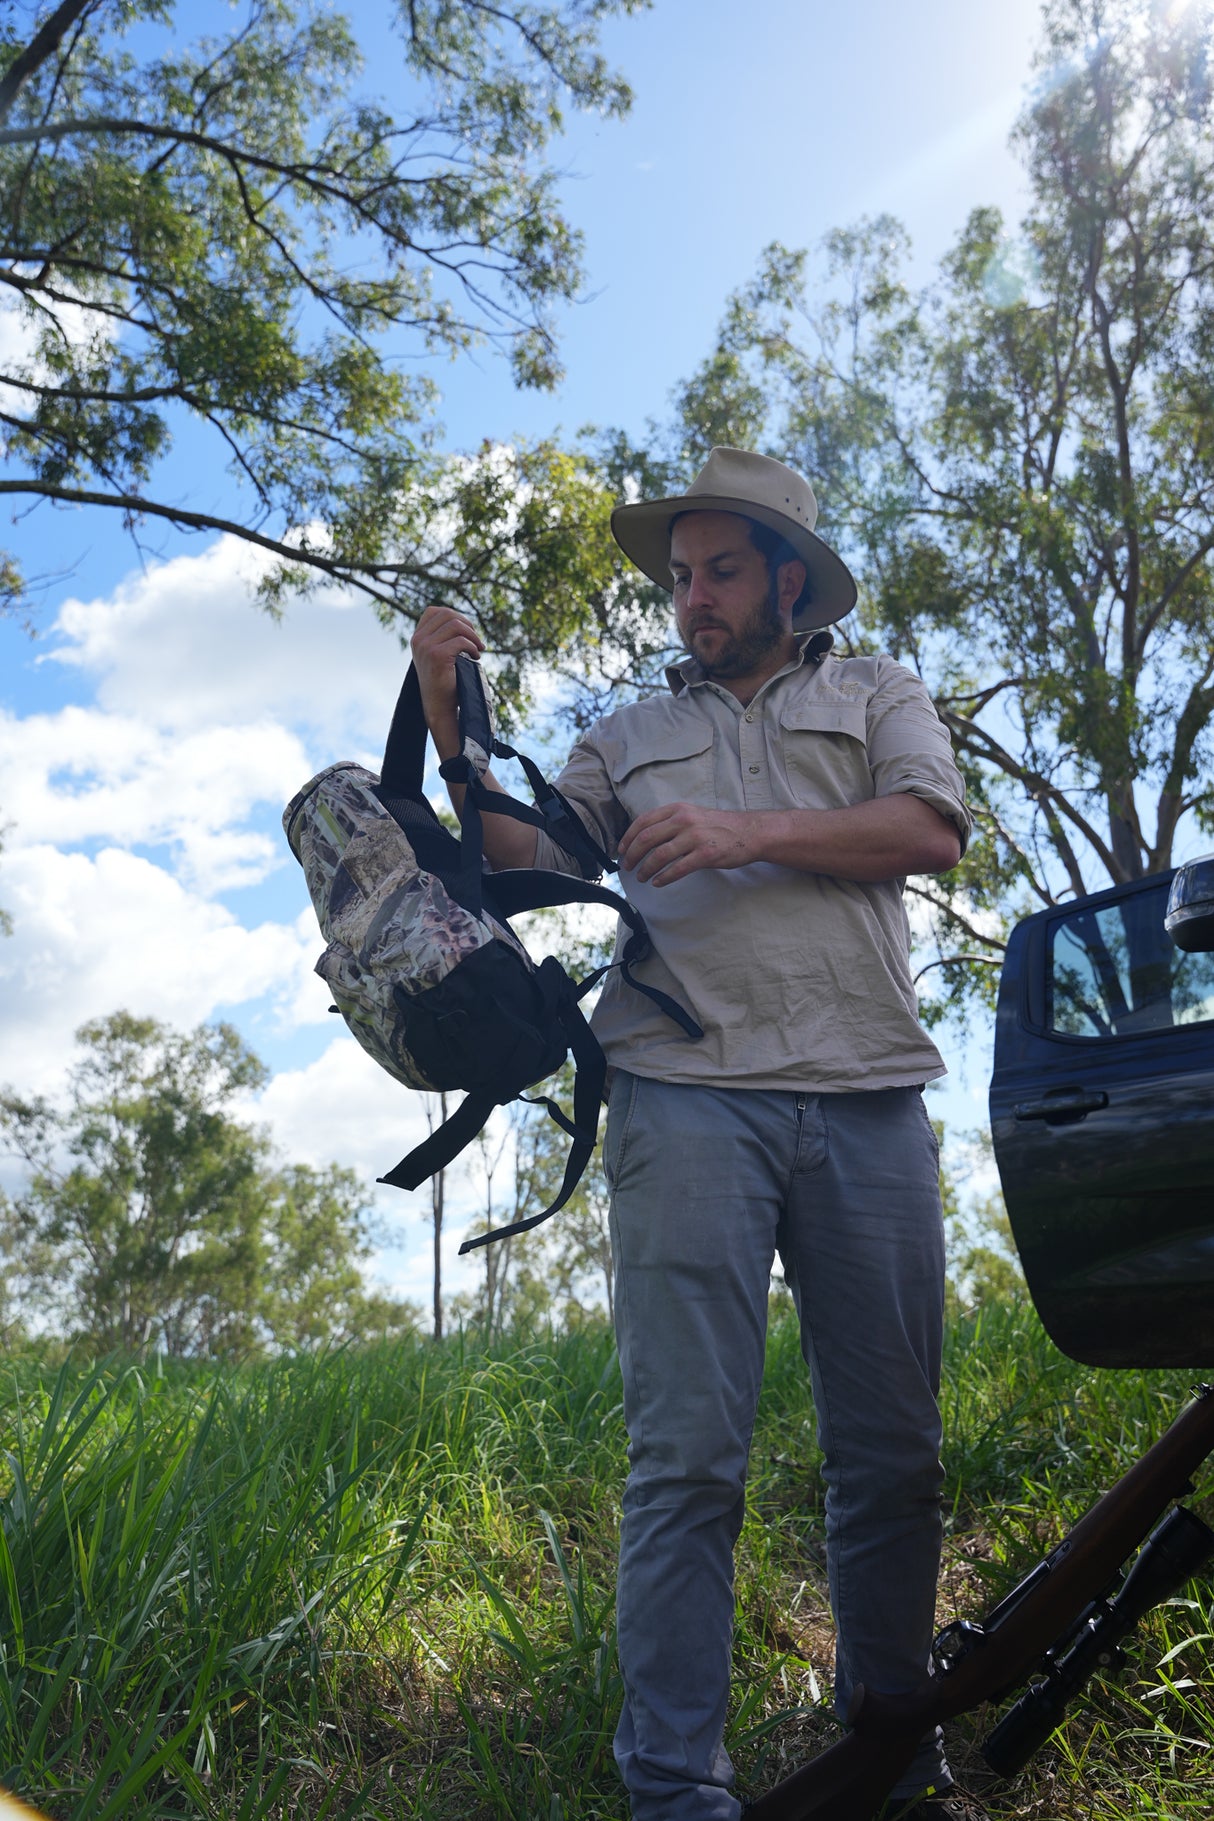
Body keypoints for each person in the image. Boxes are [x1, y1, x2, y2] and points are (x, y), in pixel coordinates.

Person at [410, 447, 985, 1821]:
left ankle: (887, 1750)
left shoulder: (874, 690)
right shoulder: (621, 734)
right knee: (684, 1457)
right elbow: (525, 858)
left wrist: (737, 832)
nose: (693, 598)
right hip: (676, 1093)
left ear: (788, 576)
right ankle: (674, 1787)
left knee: (894, 1449)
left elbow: (927, 827)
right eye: (679, 578)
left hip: (866, 1093)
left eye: (720, 569)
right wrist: (452, 726)